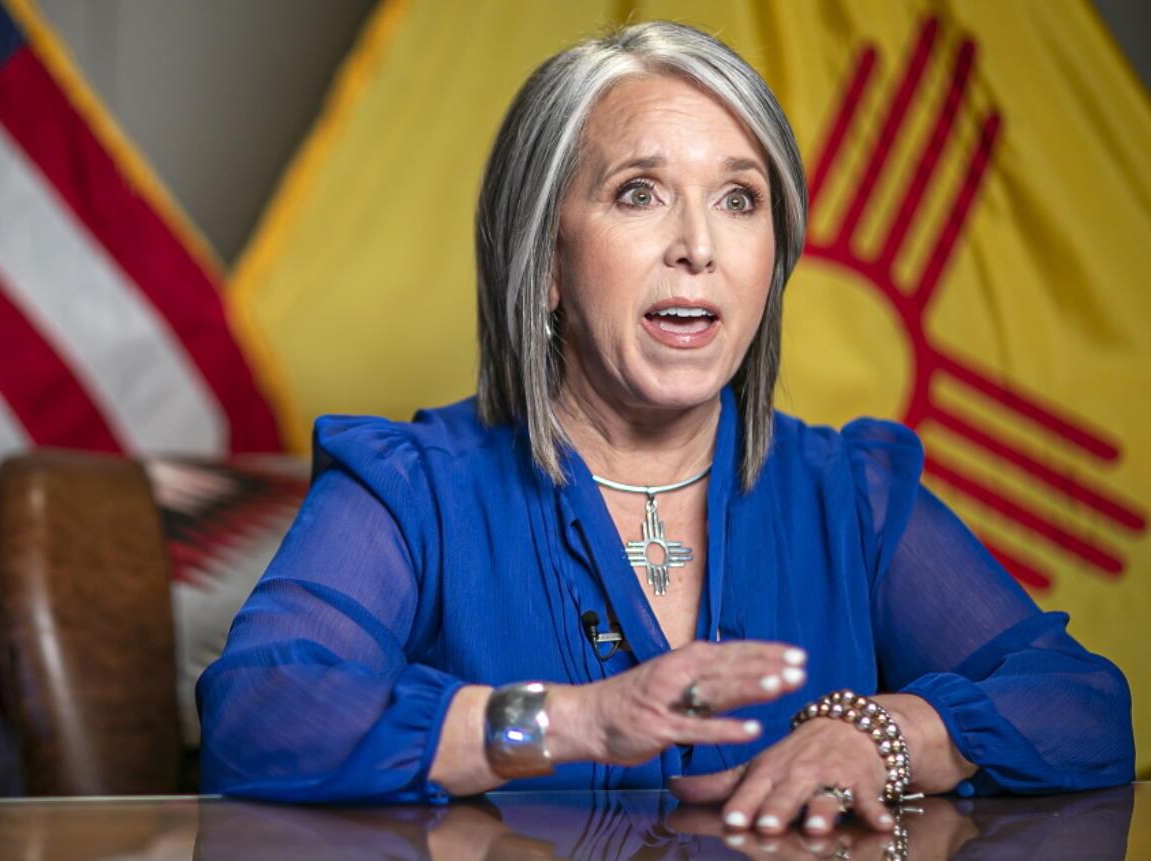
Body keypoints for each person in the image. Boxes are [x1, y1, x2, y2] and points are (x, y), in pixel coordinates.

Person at [197, 21, 1134, 837]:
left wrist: (884, 735)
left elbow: (1084, 706)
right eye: (639, 192)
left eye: (740, 199)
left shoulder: (849, 492)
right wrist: (568, 724)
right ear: (546, 261)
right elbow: (258, 711)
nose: (700, 245)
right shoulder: (414, 487)